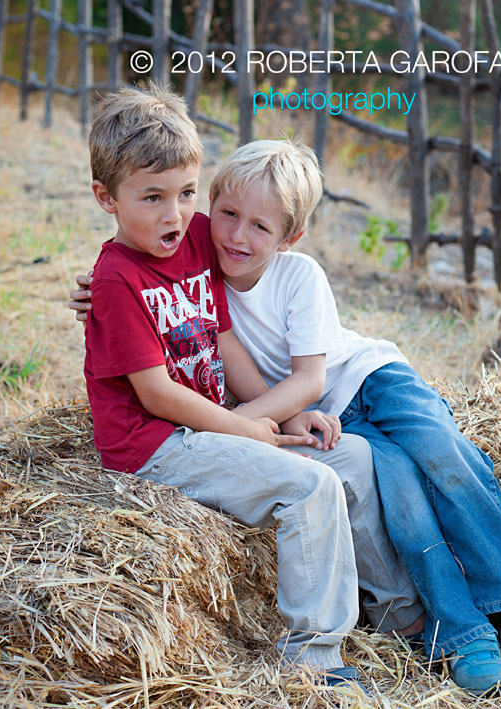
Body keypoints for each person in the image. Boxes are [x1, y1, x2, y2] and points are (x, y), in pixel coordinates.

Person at [72, 136, 501, 696]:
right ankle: (455, 630)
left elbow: (311, 376)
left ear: (290, 234)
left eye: (260, 226)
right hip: (311, 411)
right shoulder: (196, 242)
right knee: (395, 487)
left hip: (363, 378)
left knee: (444, 456)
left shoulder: (281, 266)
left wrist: (257, 424)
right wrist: (95, 290)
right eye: (226, 215)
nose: (237, 234)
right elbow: (137, 245)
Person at [78, 83, 426, 696]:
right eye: (152, 198)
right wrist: (242, 426)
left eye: (187, 193)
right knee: (309, 487)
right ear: (107, 197)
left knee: (353, 459)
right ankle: (313, 660)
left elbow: (225, 343)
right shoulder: (116, 279)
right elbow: (156, 395)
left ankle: (400, 621)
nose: (174, 214)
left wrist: (285, 420)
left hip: (212, 422)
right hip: (157, 443)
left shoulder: (193, 238)